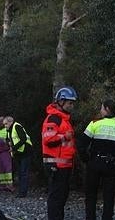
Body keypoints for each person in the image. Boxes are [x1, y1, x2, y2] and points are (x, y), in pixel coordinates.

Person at [77, 99, 115, 220]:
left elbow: (81, 143)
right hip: (112, 165)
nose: (100, 111)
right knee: (109, 196)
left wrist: (86, 159)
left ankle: (90, 217)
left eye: (101, 108)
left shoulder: (94, 123)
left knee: (91, 195)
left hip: (95, 162)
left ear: (106, 109)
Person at [42, 86, 77, 220]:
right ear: (61, 102)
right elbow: (48, 139)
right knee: (56, 198)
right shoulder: (53, 119)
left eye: (72, 103)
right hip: (55, 165)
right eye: (70, 103)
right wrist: (64, 137)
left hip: (64, 165)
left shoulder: (64, 120)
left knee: (62, 197)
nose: (71, 106)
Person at [3, 116, 32, 198]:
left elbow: (23, 139)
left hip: (25, 152)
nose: (5, 126)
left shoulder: (17, 126)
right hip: (18, 153)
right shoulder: (9, 130)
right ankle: (21, 191)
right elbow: (8, 140)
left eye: (6, 123)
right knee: (20, 173)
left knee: (24, 173)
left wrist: (13, 148)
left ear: (10, 121)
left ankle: (23, 192)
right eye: (4, 124)